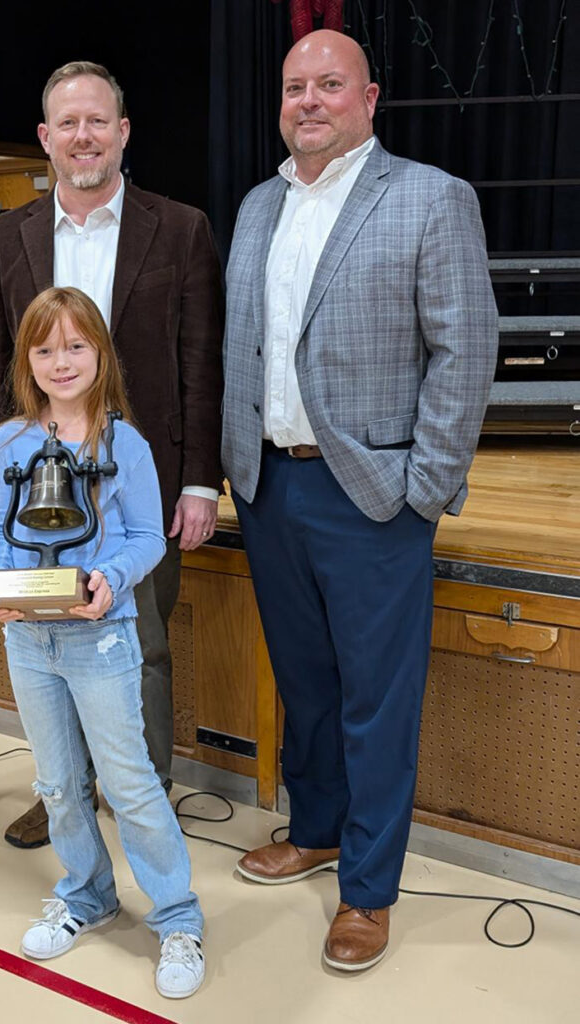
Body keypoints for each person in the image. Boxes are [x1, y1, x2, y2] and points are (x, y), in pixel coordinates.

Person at [221, 30, 497, 970]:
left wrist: (425, 487)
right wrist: (231, 464)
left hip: (372, 494)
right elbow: (245, 348)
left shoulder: (428, 198)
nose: (308, 100)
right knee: (305, 687)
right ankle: (316, 828)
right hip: (266, 485)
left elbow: (465, 354)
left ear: (368, 98)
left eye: (327, 85)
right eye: (294, 85)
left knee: (376, 701)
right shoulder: (258, 205)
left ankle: (368, 891)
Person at [0, 61, 224, 849]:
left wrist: (197, 483)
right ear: (45, 140)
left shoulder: (180, 229)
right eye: (67, 124)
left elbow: (200, 365)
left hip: (138, 489)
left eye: (98, 121)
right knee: (47, 639)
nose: (83, 136)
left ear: (122, 132)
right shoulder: (5, 237)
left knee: (138, 644)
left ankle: (138, 792)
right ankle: (64, 792)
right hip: (35, 483)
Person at [0, 286, 205, 999]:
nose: (60, 361)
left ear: (100, 354)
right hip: (29, 643)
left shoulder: (124, 444)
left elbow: (145, 538)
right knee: (56, 784)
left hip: (101, 640)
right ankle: (86, 894)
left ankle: (176, 916)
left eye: (76, 346)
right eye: (44, 349)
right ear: (27, 362)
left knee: (129, 784)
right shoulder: (9, 442)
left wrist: (106, 580)